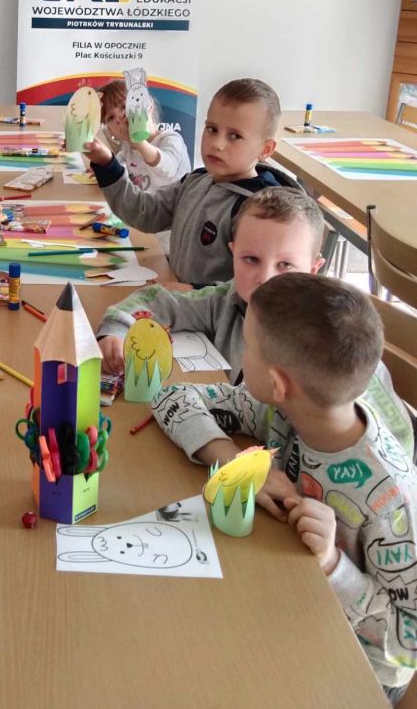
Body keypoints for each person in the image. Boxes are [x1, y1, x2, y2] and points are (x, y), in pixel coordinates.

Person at [151, 273, 417, 703]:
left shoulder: (390, 499)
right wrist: (233, 460)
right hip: (282, 594)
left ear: (278, 382)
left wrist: (334, 565)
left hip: (355, 668)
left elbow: (408, 645)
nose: (241, 355)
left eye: (248, 346)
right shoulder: (283, 408)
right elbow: (172, 397)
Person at [84, 77, 299, 286]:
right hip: (179, 296)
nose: (217, 144)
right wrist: (106, 163)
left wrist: (192, 291)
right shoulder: (194, 182)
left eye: (234, 136)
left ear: (265, 149)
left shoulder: (256, 213)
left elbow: (254, 289)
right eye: (212, 129)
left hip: (201, 308)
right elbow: (145, 213)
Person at [97, 188, 324, 379]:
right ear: (233, 253)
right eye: (251, 259)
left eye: (285, 264)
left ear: (313, 270)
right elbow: (160, 300)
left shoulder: (321, 341)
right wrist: (117, 331)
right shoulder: (226, 301)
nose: (264, 278)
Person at [99, 77, 190, 193]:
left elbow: (167, 169)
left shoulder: (170, 139)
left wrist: (138, 141)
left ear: (148, 105)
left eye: (124, 106)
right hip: (145, 203)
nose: (119, 118)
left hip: (177, 203)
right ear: (110, 131)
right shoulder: (128, 148)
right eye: (111, 117)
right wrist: (102, 164)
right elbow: (117, 164)